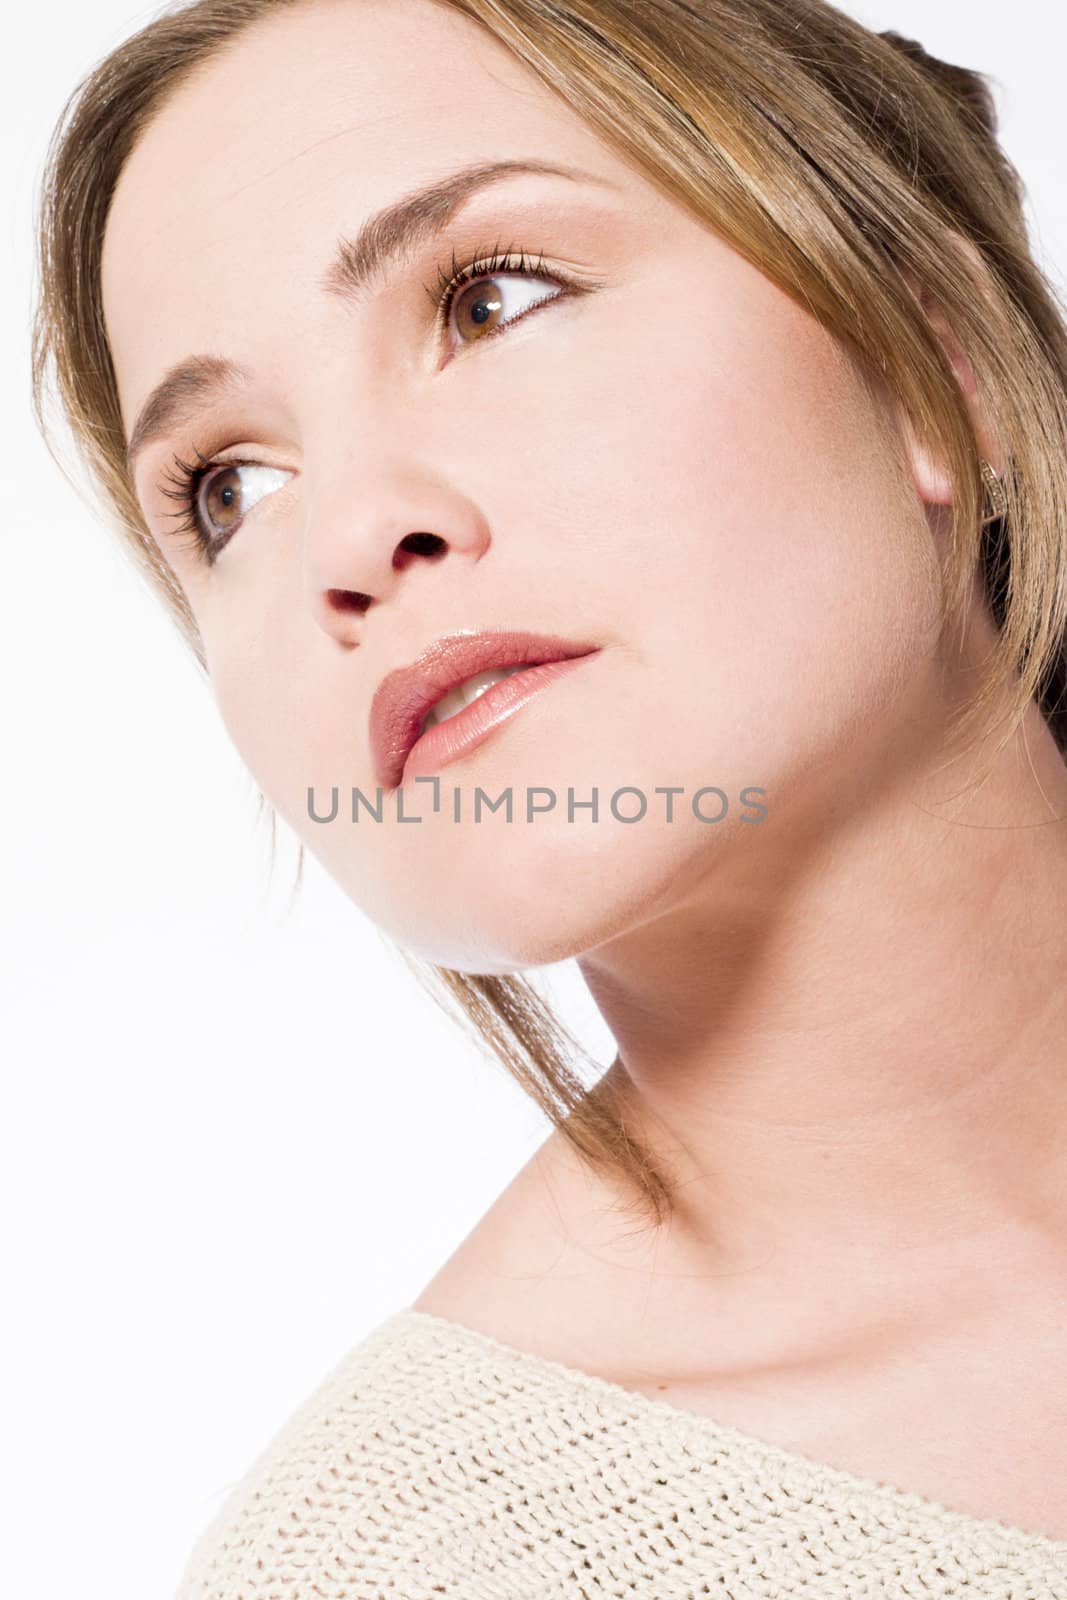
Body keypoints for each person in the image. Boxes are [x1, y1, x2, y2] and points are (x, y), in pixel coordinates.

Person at [32, 0, 1067, 1592]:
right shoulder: (417, 1565)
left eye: (492, 299)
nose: (353, 533)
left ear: (934, 366)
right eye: (227, 486)